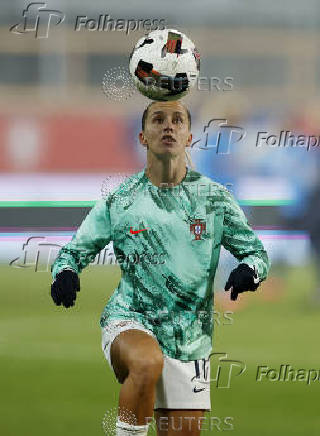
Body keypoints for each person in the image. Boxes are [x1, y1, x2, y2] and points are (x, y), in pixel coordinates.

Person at [50, 100, 270, 436]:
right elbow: (74, 251)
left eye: (177, 120)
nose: (168, 126)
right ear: (142, 136)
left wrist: (249, 271)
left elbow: (255, 253)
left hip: (190, 339)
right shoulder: (120, 199)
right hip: (130, 319)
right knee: (146, 361)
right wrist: (65, 273)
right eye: (158, 119)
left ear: (189, 137)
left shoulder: (214, 199)